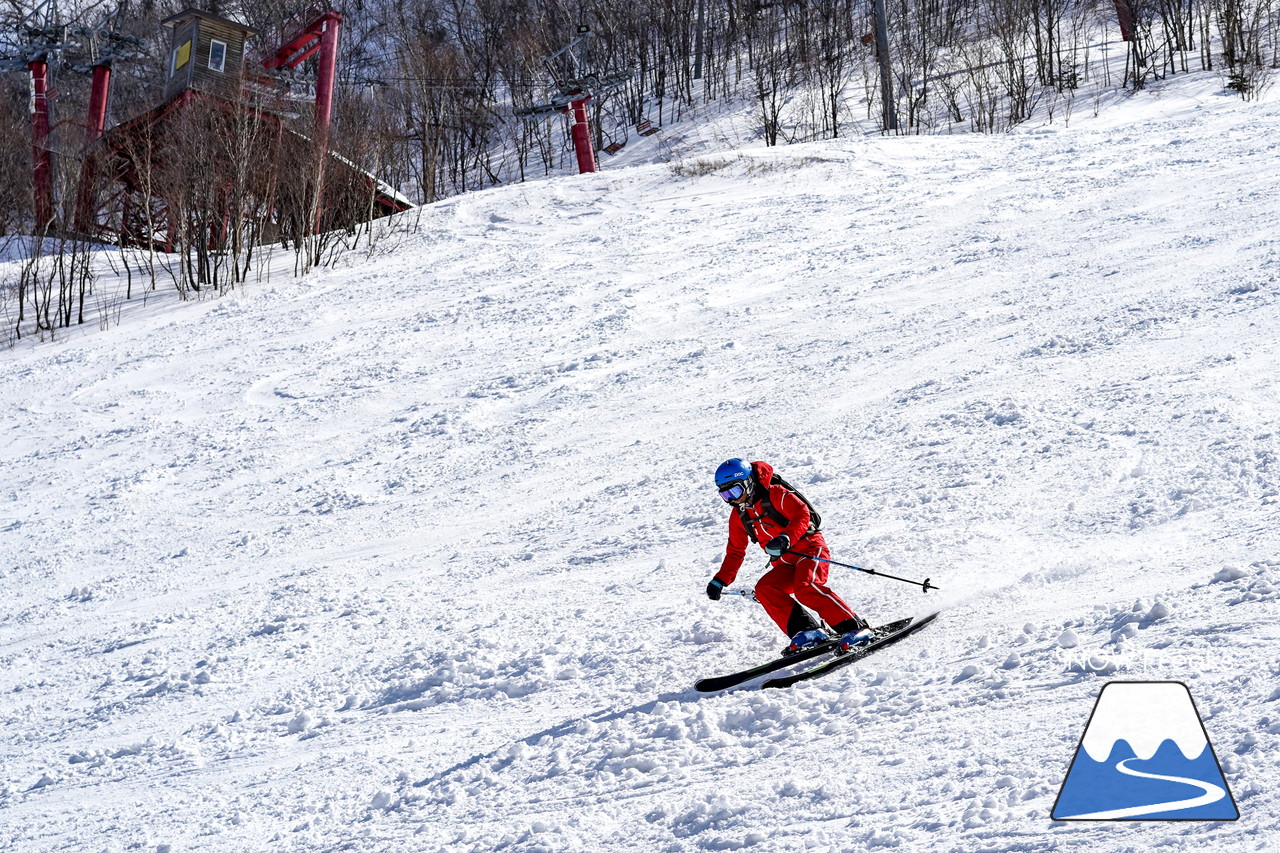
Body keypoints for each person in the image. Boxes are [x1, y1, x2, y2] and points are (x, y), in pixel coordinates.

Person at [706, 458, 874, 654]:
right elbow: (735, 551)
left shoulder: (777, 494)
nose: (732, 499)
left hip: (811, 550)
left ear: (748, 483)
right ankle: (809, 631)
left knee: (806, 587)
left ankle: (856, 628)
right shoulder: (739, 516)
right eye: (725, 495)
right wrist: (720, 580)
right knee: (765, 588)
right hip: (785, 562)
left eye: (735, 491)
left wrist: (786, 537)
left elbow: (803, 514)